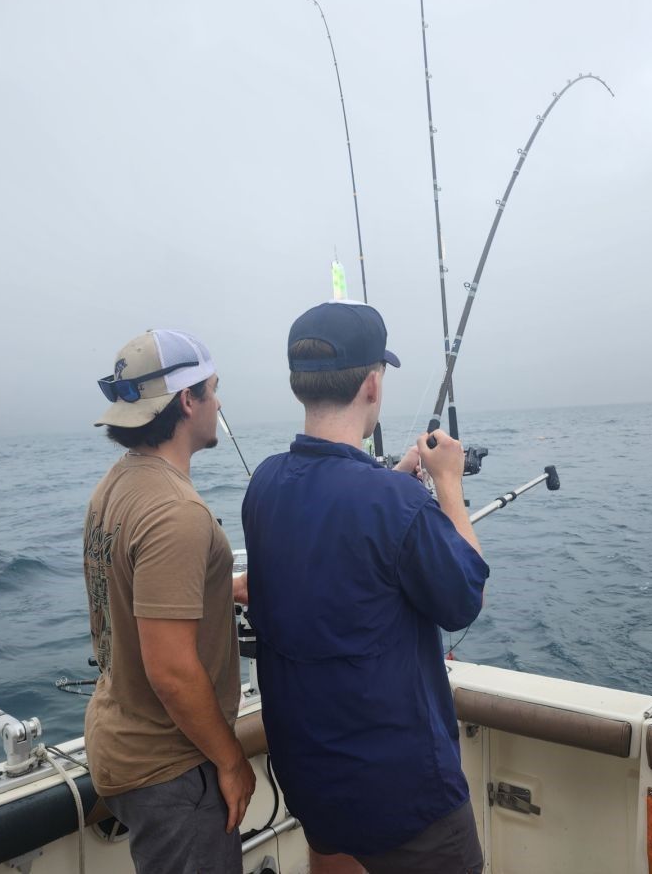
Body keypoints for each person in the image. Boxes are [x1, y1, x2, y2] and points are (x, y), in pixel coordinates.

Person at [242, 301, 490, 874]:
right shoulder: (393, 503)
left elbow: (337, 532)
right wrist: (446, 486)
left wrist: (391, 479)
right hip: (404, 794)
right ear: (373, 385)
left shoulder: (265, 484)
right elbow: (463, 599)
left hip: (311, 774)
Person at [82, 328, 255, 874]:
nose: (219, 402)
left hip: (119, 739)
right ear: (187, 400)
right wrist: (230, 761)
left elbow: (131, 594)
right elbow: (172, 671)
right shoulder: (177, 511)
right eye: (213, 389)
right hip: (170, 765)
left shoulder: (116, 485)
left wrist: (222, 588)